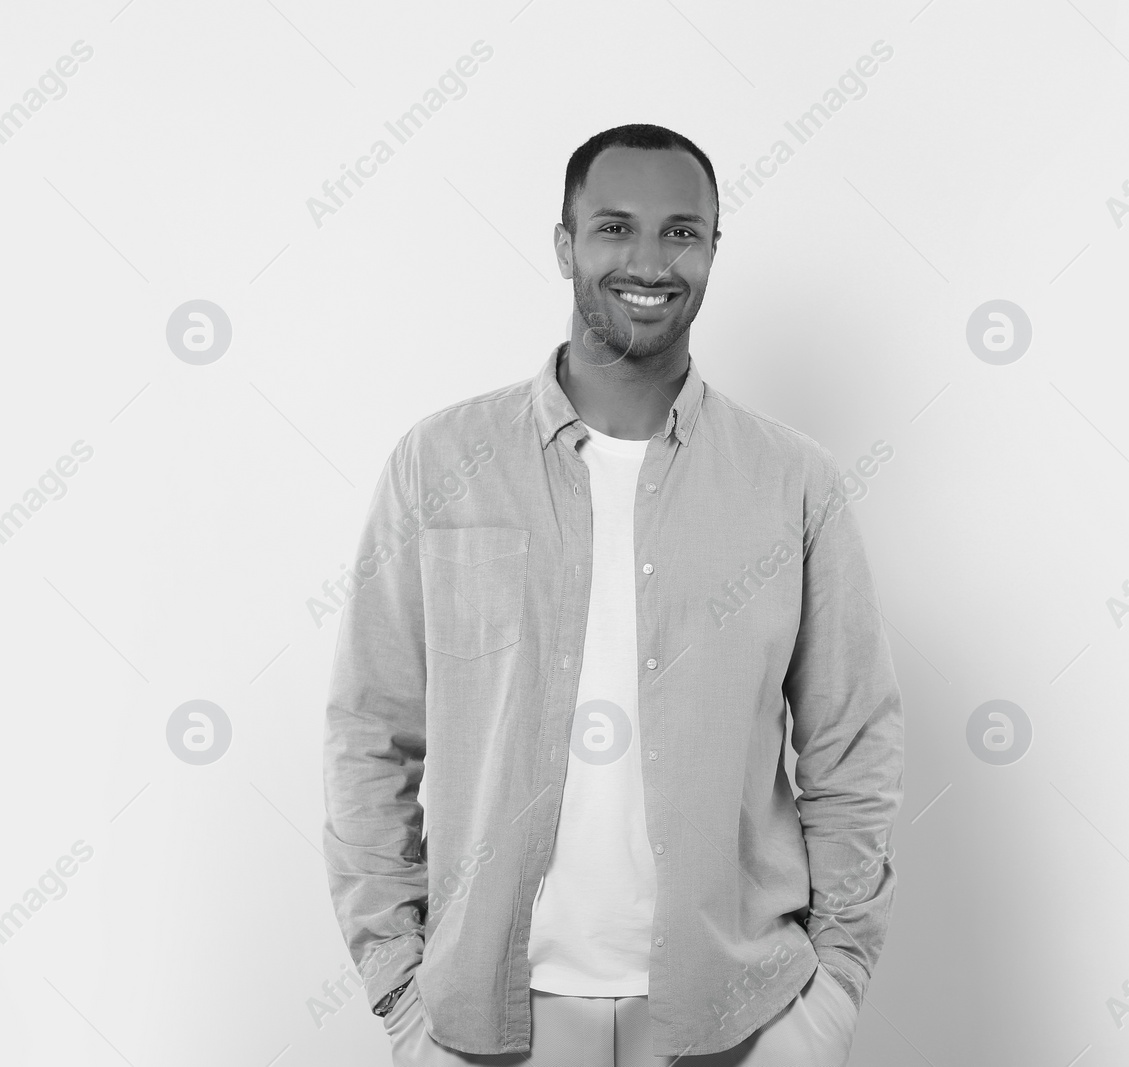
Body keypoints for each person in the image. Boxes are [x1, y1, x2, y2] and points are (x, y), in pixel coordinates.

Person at [321, 123, 904, 1066]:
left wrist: (832, 990)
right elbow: (368, 734)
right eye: (614, 227)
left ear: (714, 248)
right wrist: (398, 984)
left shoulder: (795, 484)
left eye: (682, 232)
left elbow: (853, 744)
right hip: (490, 1019)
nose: (648, 260)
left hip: (741, 1016)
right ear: (564, 245)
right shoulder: (441, 465)